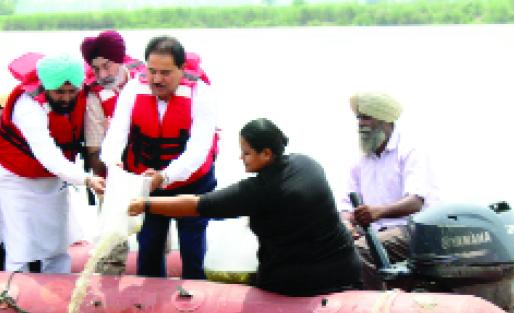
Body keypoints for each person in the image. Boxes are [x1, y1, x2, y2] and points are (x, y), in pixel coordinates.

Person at [128, 118, 362, 296]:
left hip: (303, 281)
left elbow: (197, 205)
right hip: (347, 267)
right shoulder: (307, 163)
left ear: (266, 153)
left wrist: (146, 204)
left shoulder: (261, 190)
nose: (241, 158)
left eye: (247, 153)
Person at [101, 35, 218, 279]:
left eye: (165, 73)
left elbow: (198, 150)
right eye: (152, 71)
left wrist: (165, 176)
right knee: (149, 246)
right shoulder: (133, 89)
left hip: (191, 182)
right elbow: (116, 134)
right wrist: (113, 164)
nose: (156, 79)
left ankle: (193, 293)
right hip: (147, 181)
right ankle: (150, 304)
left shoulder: (201, 94)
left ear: (182, 70)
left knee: (192, 247)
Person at [0, 53, 105, 273]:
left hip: (53, 178)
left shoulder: (84, 97)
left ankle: (59, 293)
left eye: (72, 92)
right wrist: (86, 179)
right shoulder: (27, 106)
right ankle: (16, 290)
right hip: (16, 177)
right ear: (45, 86)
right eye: (59, 92)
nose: (66, 98)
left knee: (57, 244)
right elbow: (48, 155)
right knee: (20, 246)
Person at [339, 91, 438, 289]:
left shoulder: (410, 151)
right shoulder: (360, 161)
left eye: (366, 118)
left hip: (412, 230)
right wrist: (347, 225)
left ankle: (375, 311)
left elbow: (416, 201)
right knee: (334, 247)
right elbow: (346, 207)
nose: (360, 123)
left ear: (385, 121)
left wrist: (378, 212)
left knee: (360, 251)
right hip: (375, 231)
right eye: (359, 118)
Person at [80, 29, 145, 275]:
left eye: (107, 67)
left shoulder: (146, 79)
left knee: (155, 240)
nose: (103, 75)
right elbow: (94, 148)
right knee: (112, 247)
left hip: (149, 171)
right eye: (96, 69)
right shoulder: (95, 96)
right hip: (113, 172)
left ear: (120, 60)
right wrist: (109, 189)